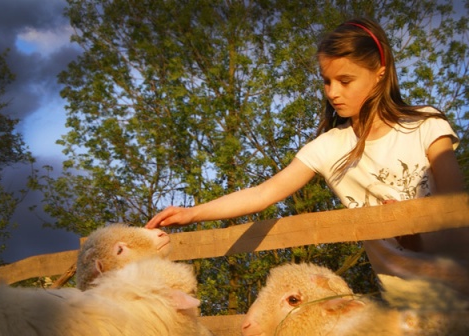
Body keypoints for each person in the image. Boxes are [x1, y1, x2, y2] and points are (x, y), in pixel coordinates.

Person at [147, 18, 468, 295]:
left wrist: (414, 229)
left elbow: (455, 203)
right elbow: (262, 194)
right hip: (406, 296)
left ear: (380, 73)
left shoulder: (425, 124)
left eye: (345, 81)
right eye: (326, 81)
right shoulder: (328, 148)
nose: (332, 92)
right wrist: (191, 214)